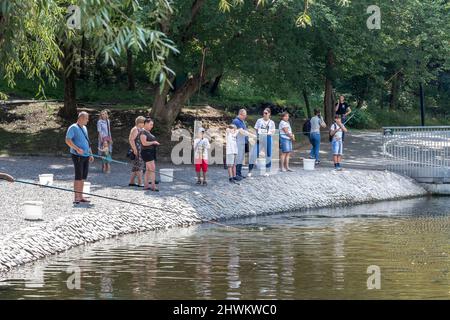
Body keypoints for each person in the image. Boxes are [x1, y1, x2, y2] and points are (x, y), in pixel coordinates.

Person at [65, 111, 94, 204]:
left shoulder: (84, 128)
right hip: (77, 156)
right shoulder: (73, 127)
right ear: (81, 118)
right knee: (78, 176)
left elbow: (87, 142)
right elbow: (67, 140)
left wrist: (91, 154)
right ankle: (76, 197)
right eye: (86, 118)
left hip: (86, 155)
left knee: (83, 177)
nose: (88, 120)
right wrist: (77, 149)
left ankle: (81, 196)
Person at [248, 108, 276, 177]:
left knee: (268, 155)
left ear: (269, 114)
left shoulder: (272, 122)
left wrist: (269, 132)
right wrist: (257, 136)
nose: (264, 114)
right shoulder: (259, 120)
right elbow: (256, 128)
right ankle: (250, 171)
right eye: (263, 113)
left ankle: (267, 171)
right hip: (260, 138)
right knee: (254, 154)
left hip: (268, 138)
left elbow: (273, 131)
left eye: (266, 113)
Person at [140, 118, 160, 191]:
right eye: (151, 124)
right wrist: (153, 142)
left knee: (148, 170)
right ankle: (153, 186)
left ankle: (146, 186)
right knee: (152, 169)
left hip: (150, 152)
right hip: (146, 152)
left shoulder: (148, 132)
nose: (152, 126)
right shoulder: (143, 132)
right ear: (146, 123)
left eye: (152, 125)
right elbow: (144, 143)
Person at [231, 109, 249, 179]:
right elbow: (242, 132)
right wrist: (251, 135)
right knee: (238, 158)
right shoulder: (236, 121)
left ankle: (239, 173)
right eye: (244, 115)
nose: (245, 116)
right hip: (238, 143)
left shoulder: (242, 121)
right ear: (240, 114)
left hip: (243, 142)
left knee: (241, 158)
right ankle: (236, 174)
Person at [128, 116, 146, 187]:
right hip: (137, 150)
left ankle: (131, 182)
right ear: (140, 123)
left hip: (140, 149)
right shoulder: (135, 129)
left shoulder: (140, 129)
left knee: (135, 167)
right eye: (143, 123)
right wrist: (135, 149)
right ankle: (140, 182)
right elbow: (131, 140)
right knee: (139, 166)